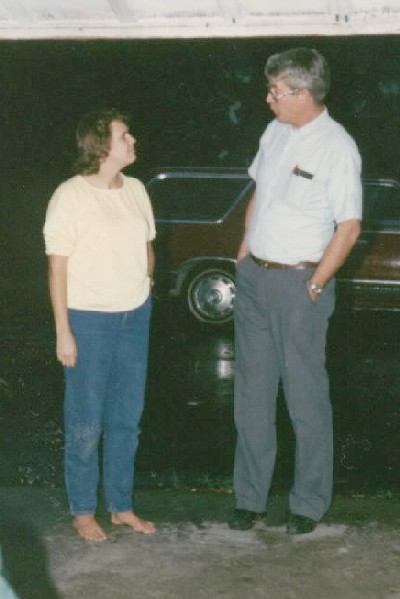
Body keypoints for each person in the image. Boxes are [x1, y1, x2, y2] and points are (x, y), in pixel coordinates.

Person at [229, 47, 362, 534]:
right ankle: (250, 497)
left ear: (304, 94)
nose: (268, 99)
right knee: (251, 394)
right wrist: (245, 251)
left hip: (299, 283)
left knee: (304, 399)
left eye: (276, 92)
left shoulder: (337, 146)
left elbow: (348, 226)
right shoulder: (274, 132)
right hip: (256, 278)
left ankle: (307, 503)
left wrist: (316, 282)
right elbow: (260, 192)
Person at [43, 108, 156, 542]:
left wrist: (146, 285)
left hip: (134, 316)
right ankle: (83, 510)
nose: (133, 141)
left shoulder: (138, 190)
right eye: (124, 135)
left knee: (127, 419)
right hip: (88, 320)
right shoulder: (70, 195)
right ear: (102, 145)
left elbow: (147, 247)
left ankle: (121, 506)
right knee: (86, 419)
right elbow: (58, 268)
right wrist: (63, 330)